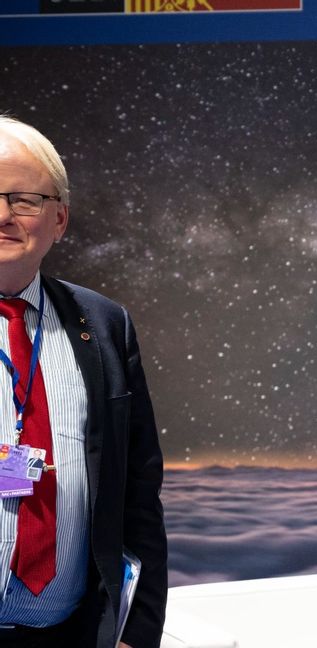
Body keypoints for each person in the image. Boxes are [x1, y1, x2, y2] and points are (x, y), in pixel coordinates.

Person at [0, 116, 167, 648]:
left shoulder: (103, 322)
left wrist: (135, 632)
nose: (3, 215)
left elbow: (139, 493)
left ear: (60, 219)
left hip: (71, 633)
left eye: (23, 199)